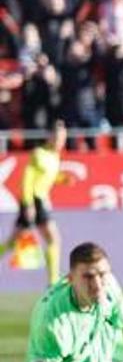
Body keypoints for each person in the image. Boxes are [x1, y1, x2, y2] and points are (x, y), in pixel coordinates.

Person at [0, 121, 72, 285]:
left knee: (12, 242)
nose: (60, 141)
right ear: (50, 137)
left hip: (39, 201)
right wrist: (28, 204)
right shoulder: (39, 154)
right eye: (58, 137)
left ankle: (53, 280)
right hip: (34, 201)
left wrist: (63, 179)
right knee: (53, 238)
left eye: (63, 138)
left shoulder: (55, 156)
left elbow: (49, 177)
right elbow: (27, 179)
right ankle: (53, 281)